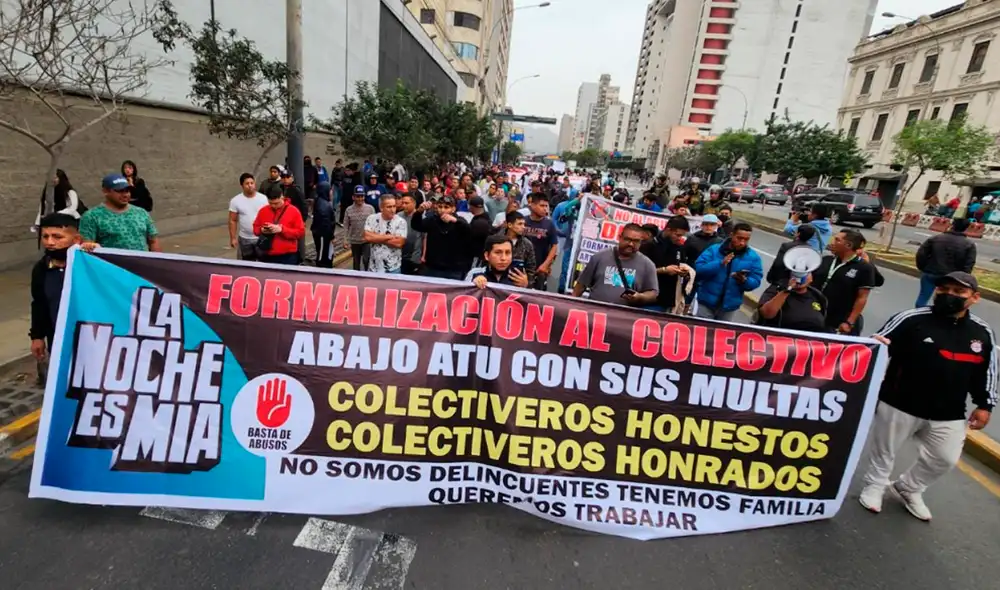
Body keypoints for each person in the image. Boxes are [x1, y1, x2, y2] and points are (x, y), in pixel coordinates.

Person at [859, 271, 996, 521]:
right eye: (944, 289)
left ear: (975, 297)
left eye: (959, 291)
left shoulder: (982, 332)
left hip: (949, 411)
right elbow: (873, 348)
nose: (949, 295)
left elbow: (987, 371)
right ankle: (875, 485)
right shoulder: (911, 319)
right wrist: (874, 345)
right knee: (884, 452)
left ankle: (909, 487)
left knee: (946, 458)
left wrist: (985, 404)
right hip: (899, 402)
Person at [30, 213, 81, 361]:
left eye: (57, 237)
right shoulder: (41, 269)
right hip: (57, 338)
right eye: (45, 237)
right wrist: (37, 336)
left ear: (76, 239)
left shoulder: (89, 264)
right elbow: (39, 304)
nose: (50, 242)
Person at [573, 223, 659, 307]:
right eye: (627, 239)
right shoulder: (599, 257)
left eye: (636, 241)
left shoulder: (648, 265)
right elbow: (581, 285)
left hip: (624, 315)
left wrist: (640, 297)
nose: (631, 244)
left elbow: (653, 294)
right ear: (620, 238)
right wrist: (572, 306)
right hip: (595, 312)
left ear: (641, 242)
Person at [694, 223, 763, 322]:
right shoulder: (714, 250)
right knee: (703, 329)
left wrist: (744, 280)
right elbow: (698, 270)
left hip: (729, 307)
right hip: (706, 302)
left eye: (746, 239)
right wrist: (720, 264)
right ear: (731, 235)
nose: (742, 243)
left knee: (722, 331)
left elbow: (756, 280)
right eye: (739, 238)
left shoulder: (753, 258)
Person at [812, 229, 876, 335]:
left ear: (848, 245)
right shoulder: (826, 260)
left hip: (838, 322)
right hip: (815, 316)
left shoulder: (864, 267)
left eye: (837, 240)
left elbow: (862, 297)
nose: (832, 242)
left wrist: (849, 322)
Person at [80, 174, 160, 252]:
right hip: (110, 261)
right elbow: (86, 247)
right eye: (120, 191)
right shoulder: (92, 216)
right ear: (106, 191)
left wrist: (158, 260)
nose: (125, 195)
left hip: (141, 261)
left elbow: (153, 241)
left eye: (127, 191)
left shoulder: (141, 213)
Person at [915, 217, 976, 307]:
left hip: (931, 271)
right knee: (946, 300)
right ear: (966, 228)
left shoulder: (935, 238)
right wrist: (962, 277)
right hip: (952, 277)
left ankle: (918, 312)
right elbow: (969, 264)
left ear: (952, 225)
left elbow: (921, 254)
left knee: (923, 296)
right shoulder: (969, 244)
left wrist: (922, 267)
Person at [411, 196, 473, 281]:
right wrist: (419, 212)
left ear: (453, 209)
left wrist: (455, 221)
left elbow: (469, 231)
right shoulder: (432, 220)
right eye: (440, 207)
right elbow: (416, 225)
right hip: (432, 267)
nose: (442, 210)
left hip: (453, 269)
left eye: (446, 207)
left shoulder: (459, 221)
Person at [641, 216, 691, 312]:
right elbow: (640, 271)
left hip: (668, 301)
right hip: (648, 299)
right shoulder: (649, 245)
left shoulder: (679, 248)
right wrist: (664, 270)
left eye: (682, 236)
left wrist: (684, 273)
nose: (679, 238)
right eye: (677, 235)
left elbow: (683, 266)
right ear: (668, 230)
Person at [755, 272, 828, 333]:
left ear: (811, 278)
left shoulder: (817, 295)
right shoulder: (777, 289)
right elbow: (767, 314)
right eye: (798, 273)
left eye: (806, 273)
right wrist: (788, 290)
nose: (802, 277)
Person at [252, 186, 305, 265]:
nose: (274, 206)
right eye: (271, 203)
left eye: (276, 203)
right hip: (267, 255)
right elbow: (255, 229)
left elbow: (300, 232)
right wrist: (262, 230)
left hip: (287, 256)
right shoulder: (263, 211)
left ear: (282, 197)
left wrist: (282, 230)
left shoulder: (294, 211)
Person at [228, 173, 269, 261]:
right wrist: (233, 238)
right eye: (247, 183)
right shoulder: (235, 201)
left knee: (263, 262)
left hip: (261, 238)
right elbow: (232, 220)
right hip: (245, 239)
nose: (250, 185)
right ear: (242, 185)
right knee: (246, 263)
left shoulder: (263, 199)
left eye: (252, 183)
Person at [364, 194, 408, 274]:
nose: (393, 210)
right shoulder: (371, 218)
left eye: (394, 206)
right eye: (389, 207)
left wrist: (375, 237)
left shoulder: (401, 222)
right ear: (381, 208)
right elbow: (367, 237)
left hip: (393, 269)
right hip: (374, 268)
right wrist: (390, 236)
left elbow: (399, 243)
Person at [523, 192, 559, 290]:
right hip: (522, 267)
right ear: (532, 205)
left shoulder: (549, 224)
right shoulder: (523, 222)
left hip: (540, 269)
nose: (545, 209)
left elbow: (554, 246)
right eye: (542, 205)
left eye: (546, 206)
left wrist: (546, 265)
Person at [344, 186, 376, 271]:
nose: (360, 199)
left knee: (366, 260)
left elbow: (375, 224)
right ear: (353, 197)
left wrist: (374, 238)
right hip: (354, 241)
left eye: (362, 196)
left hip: (367, 240)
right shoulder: (348, 210)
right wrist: (345, 240)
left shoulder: (370, 209)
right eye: (358, 196)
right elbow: (346, 225)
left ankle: (367, 276)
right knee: (356, 262)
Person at [503, 211, 537, 285]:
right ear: (510, 225)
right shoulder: (496, 240)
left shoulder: (527, 244)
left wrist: (527, 283)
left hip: (517, 284)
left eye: (524, 224)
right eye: (520, 224)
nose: (523, 227)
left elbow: (531, 268)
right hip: (496, 283)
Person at [397, 194, 424, 275]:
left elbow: (425, 239)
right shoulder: (398, 216)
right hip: (400, 255)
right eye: (402, 203)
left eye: (406, 203)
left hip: (415, 257)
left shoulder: (421, 217)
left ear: (414, 204)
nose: (404, 205)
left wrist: (423, 256)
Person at [311, 182, 336, 268]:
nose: (332, 192)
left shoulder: (320, 201)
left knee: (324, 253)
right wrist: (332, 236)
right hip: (323, 236)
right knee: (323, 255)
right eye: (330, 190)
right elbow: (326, 224)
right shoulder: (324, 205)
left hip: (322, 234)